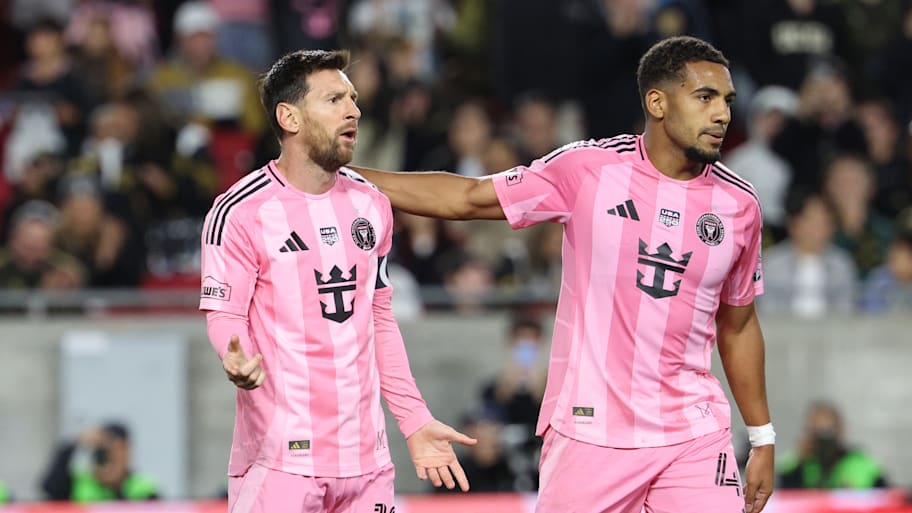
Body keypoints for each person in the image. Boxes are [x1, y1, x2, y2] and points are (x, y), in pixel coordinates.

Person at [353, 36, 775, 513]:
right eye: (705, 97)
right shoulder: (589, 170)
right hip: (590, 431)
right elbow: (468, 198)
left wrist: (762, 437)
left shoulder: (740, 206)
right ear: (657, 102)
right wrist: (347, 176)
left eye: (727, 101)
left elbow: (738, 325)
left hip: (693, 434)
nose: (722, 114)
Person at [198, 49, 476, 513]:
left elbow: (380, 319)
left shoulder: (372, 205)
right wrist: (238, 357)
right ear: (289, 116)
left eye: (353, 98)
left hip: (368, 464)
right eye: (333, 99)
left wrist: (413, 418)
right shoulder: (240, 211)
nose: (354, 110)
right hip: (281, 461)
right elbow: (225, 313)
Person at [778, 401, 888, 489]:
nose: (825, 442)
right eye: (817, 432)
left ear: (841, 430)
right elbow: (784, 497)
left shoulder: (860, 464)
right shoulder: (795, 464)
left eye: (829, 431)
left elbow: (887, 497)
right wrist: (800, 463)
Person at [39, 423, 159, 502]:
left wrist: (117, 486)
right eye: (103, 451)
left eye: (118, 450)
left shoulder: (143, 488)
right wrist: (75, 443)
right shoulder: (80, 482)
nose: (110, 457)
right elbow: (50, 490)